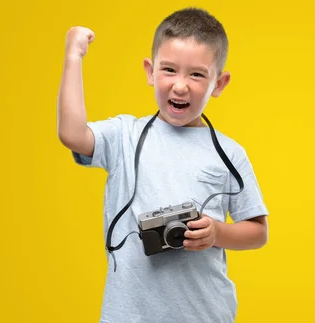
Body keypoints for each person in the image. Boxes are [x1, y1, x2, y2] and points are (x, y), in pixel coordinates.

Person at [56, 7, 269, 323]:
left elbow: (258, 232)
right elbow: (72, 134)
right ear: (150, 71)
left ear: (219, 84)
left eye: (197, 74)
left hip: (204, 313)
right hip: (128, 315)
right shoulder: (125, 135)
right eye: (169, 70)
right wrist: (74, 56)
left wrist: (217, 233)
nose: (180, 86)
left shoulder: (229, 152)